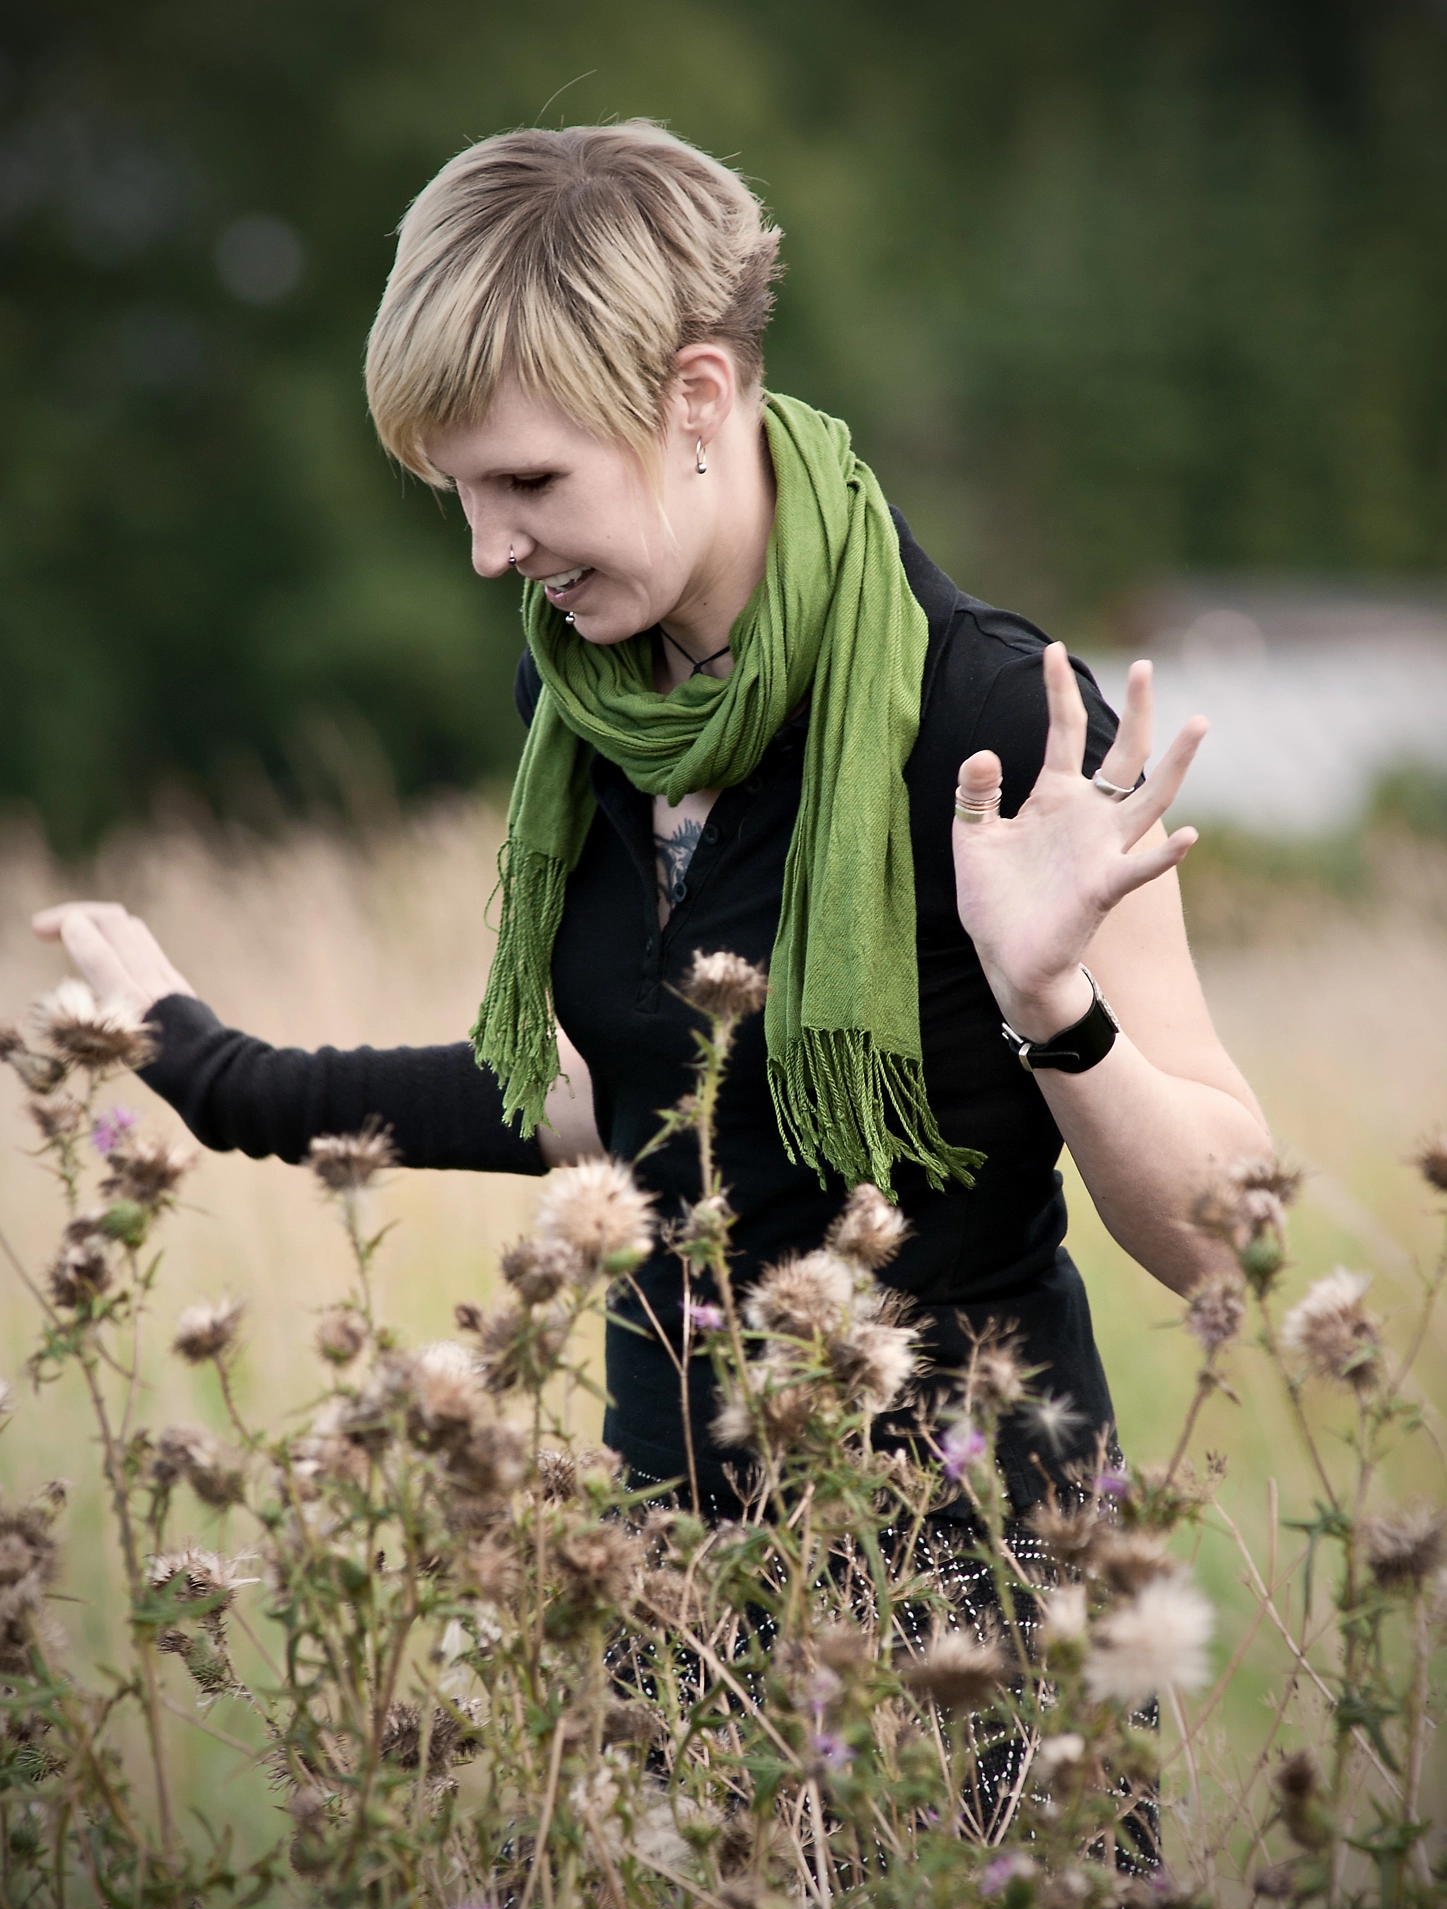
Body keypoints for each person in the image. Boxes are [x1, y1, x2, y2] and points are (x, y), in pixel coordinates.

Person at [33, 121, 1269, 1516]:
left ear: (696, 394)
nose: (490, 552)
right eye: (461, 494)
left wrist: (1050, 1001)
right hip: (663, 1587)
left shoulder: (994, 720)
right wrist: (225, 1080)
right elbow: (631, 1095)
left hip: (961, 1587)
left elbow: (1225, 1242)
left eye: (528, 484)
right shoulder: (585, 702)